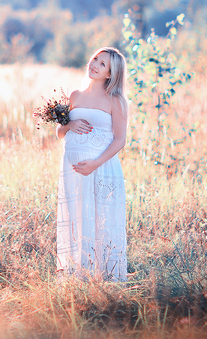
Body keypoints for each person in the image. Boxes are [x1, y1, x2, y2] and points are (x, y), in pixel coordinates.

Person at [55, 47, 128, 281]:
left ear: (110, 74)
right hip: (73, 171)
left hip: (101, 168)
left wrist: (95, 164)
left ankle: (103, 277)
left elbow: (120, 140)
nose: (94, 64)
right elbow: (59, 133)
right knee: (76, 217)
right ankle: (78, 275)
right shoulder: (75, 96)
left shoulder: (116, 100)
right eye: (95, 59)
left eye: (102, 64)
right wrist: (69, 126)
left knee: (101, 220)